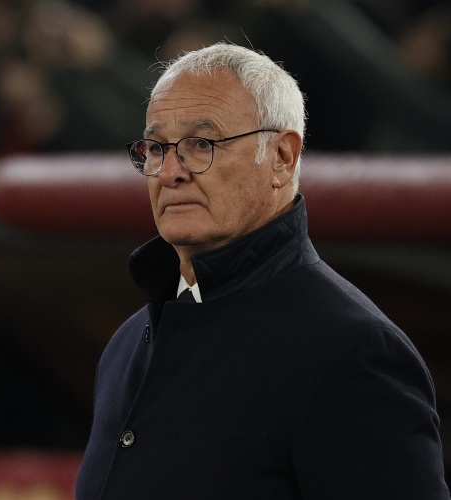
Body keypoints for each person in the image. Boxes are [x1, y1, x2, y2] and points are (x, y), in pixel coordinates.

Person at [76, 42, 449, 499]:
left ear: (282, 158)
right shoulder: (127, 344)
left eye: (201, 144)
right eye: (156, 148)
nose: (170, 172)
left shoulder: (354, 351)